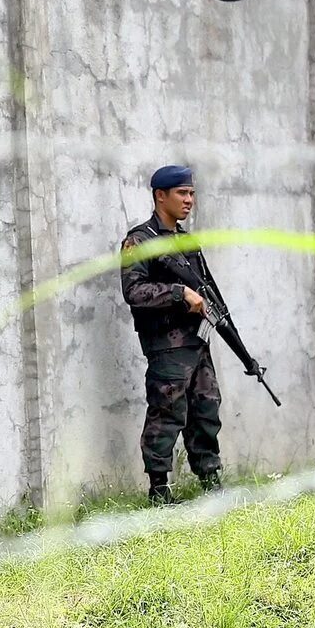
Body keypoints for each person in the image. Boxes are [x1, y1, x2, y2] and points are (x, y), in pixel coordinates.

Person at [120, 165, 223, 502]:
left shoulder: (185, 240)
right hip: (166, 347)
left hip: (198, 341)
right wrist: (180, 294)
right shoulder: (139, 240)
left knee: (206, 410)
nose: (189, 200)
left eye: (191, 193)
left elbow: (205, 285)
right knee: (166, 415)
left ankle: (211, 483)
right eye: (182, 193)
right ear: (159, 195)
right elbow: (134, 292)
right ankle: (159, 492)